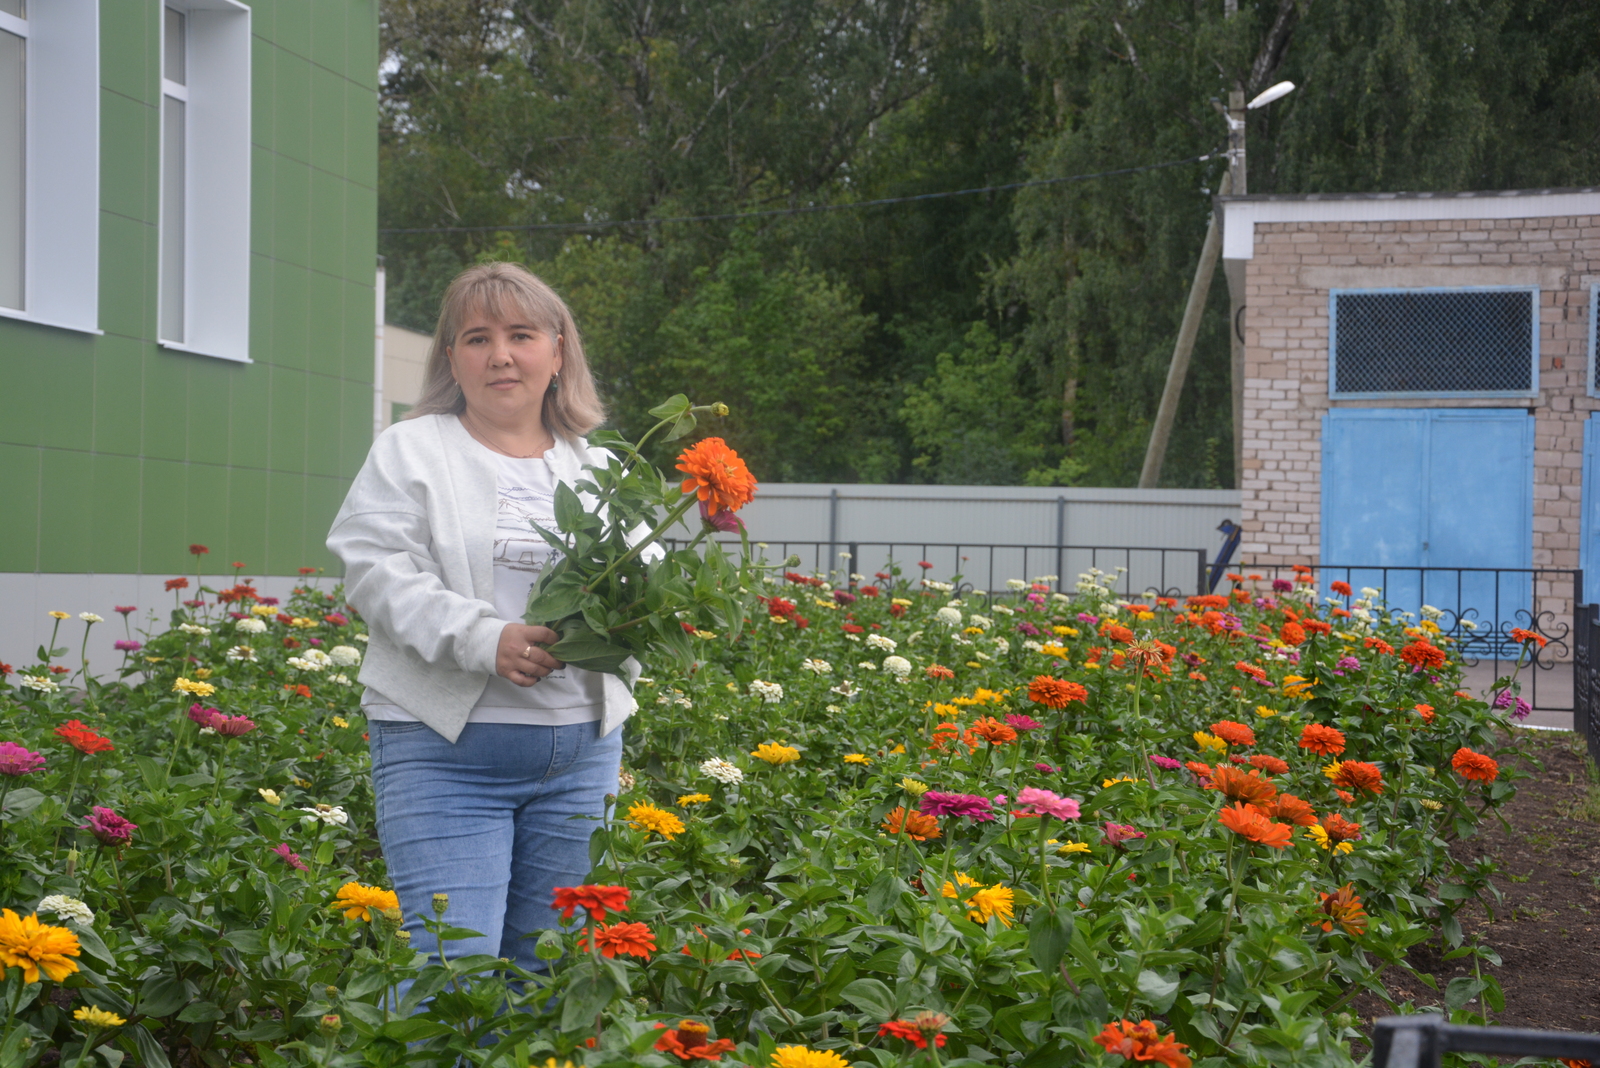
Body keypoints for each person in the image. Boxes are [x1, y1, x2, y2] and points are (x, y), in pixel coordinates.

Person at [327, 262, 639, 976]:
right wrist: (484, 639)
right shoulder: (412, 449)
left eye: (521, 335)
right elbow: (374, 570)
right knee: (451, 979)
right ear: (452, 360)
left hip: (581, 759)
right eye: (477, 338)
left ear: (558, 352)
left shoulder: (605, 467)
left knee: (546, 977)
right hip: (445, 753)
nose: (500, 354)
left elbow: (638, 593)